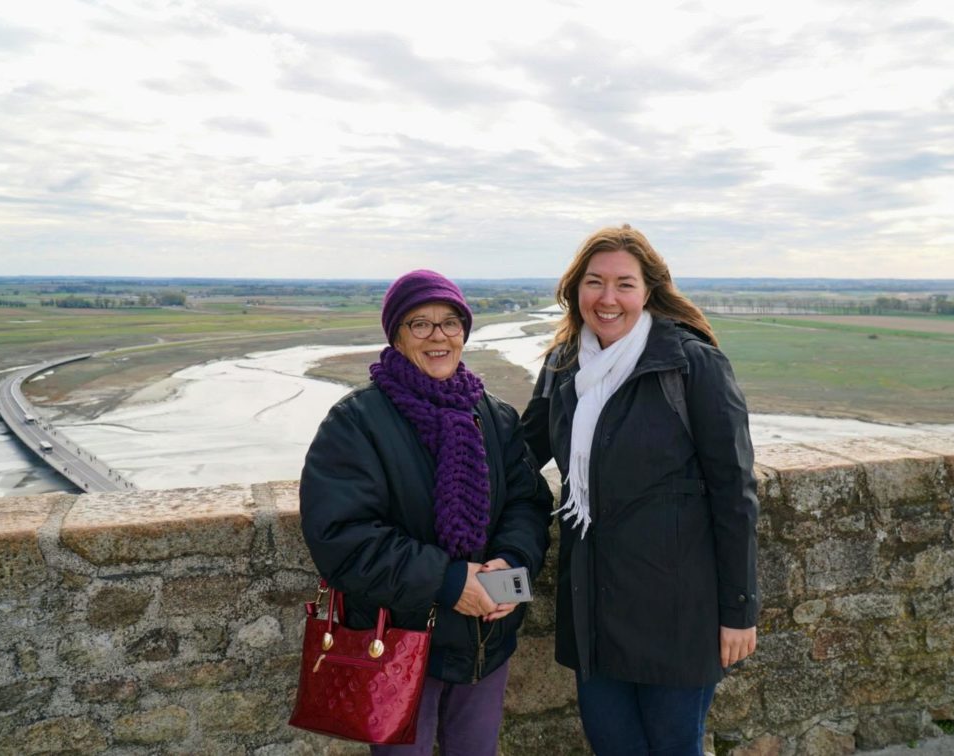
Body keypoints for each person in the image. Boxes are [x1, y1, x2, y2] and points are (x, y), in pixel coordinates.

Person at [522, 225, 759, 756]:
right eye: (594, 282)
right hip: (594, 611)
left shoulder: (691, 364)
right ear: (575, 289)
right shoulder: (563, 365)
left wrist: (739, 610)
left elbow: (734, 493)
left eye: (624, 284)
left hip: (677, 613)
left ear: (649, 291)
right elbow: (520, 455)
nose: (608, 299)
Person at [300, 269, 553, 756]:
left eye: (450, 323)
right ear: (396, 335)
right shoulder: (356, 423)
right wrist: (450, 582)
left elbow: (527, 502)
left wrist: (510, 565)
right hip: (397, 643)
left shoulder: (494, 416)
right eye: (420, 324)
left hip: (484, 642)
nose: (438, 336)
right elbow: (343, 539)